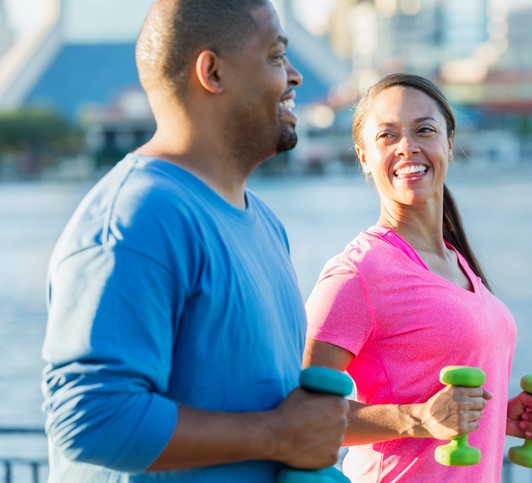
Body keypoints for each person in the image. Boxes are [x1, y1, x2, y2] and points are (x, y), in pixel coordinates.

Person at [41, 1, 348, 481]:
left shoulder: (266, 224)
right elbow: (90, 418)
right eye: (275, 55)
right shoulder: (139, 216)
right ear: (212, 72)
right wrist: (279, 434)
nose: (295, 76)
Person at [303, 73, 532, 482]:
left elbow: (439, 397)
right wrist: (417, 419)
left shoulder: (458, 261)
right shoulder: (356, 273)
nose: (408, 147)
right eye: (387, 135)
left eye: (424, 129)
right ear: (364, 156)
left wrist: (496, 415)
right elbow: (299, 416)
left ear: (449, 143)